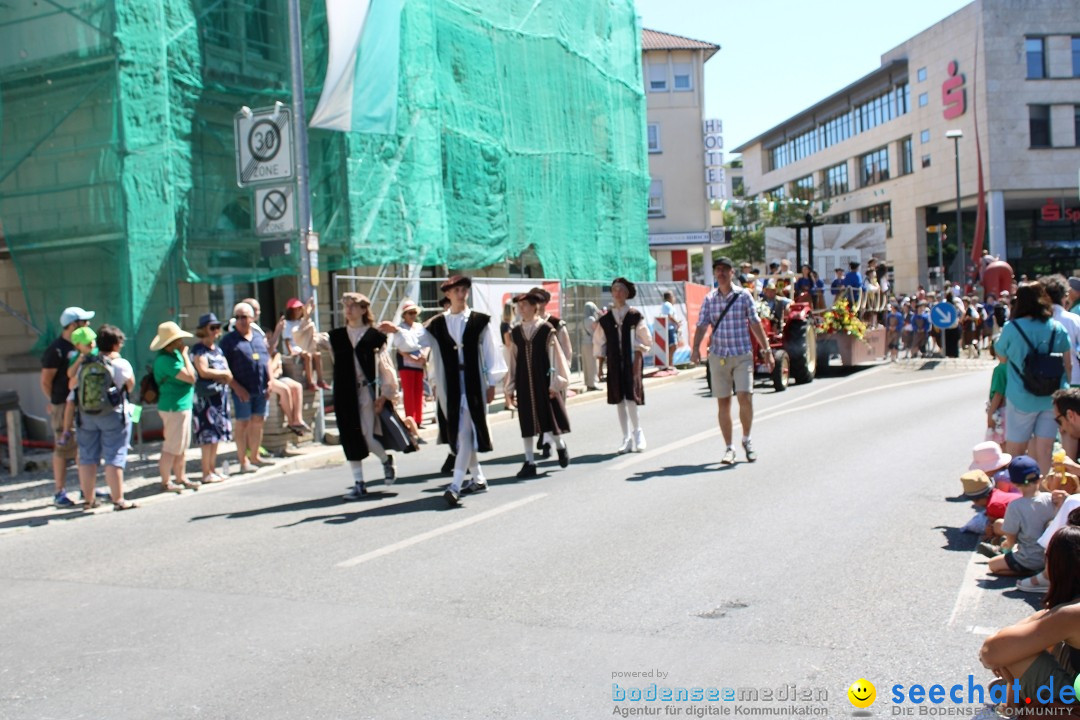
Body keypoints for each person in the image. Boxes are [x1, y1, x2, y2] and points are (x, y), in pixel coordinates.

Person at [385, 276, 506, 506]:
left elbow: (492, 353)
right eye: (457, 290)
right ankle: (478, 478)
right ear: (448, 294)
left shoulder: (480, 321)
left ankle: (455, 485)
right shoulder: (438, 323)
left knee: (464, 433)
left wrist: (492, 383)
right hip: (449, 385)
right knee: (461, 432)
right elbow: (414, 341)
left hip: (473, 385)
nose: (461, 294)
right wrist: (396, 332)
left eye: (464, 290)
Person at [297, 294, 399, 499]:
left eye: (353, 306)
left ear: (363, 310)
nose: (349, 310)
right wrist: (306, 319)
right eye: (346, 306)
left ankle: (385, 460)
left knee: (368, 437)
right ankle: (359, 482)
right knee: (350, 437)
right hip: (345, 393)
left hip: (366, 393)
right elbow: (309, 342)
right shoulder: (336, 336)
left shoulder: (374, 337)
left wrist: (386, 394)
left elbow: (385, 367)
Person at [979, 518, 1080, 705]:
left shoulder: (1072, 614)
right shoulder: (1070, 612)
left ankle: (1010, 708)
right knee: (1023, 643)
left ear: (1056, 565)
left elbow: (990, 651)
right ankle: (1012, 703)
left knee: (1013, 652)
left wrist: (1005, 657)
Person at [691, 257, 774, 465]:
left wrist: (767, 350)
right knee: (724, 402)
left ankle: (747, 439)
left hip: (741, 354)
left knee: (745, 396)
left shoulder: (743, 295)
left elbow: (755, 323)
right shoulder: (710, 299)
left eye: (725, 270)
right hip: (719, 356)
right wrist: (695, 349)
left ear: (732, 273)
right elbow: (702, 326)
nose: (721, 273)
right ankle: (729, 447)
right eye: (717, 270)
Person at [995, 283, 1072, 474]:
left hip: (1021, 396)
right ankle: (1044, 495)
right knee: (1045, 450)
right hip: (1051, 397)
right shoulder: (1057, 327)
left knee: (1017, 451)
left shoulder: (1011, 328)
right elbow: (1068, 364)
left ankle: (1019, 494)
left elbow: (1002, 359)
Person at [68, 324, 138, 510]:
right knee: (114, 455)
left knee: (87, 457)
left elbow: (72, 384)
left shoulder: (86, 363)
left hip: (86, 415)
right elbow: (130, 386)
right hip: (113, 414)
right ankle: (118, 499)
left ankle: (88, 500)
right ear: (116, 344)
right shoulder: (120, 364)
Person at [505, 289, 571, 477]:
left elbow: (556, 357)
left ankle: (560, 445)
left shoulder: (546, 329)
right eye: (519, 305)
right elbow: (514, 360)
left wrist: (556, 383)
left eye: (525, 305)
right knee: (526, 421)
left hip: (544, 382)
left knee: (548, 419)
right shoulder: (516, 332)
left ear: (535, 307)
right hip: (524, 383)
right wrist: (510, 387)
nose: (521, 308)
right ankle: (529, 461)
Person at [40, 306, 94, 507]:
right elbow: (46, 380)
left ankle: (85, 488)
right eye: (84, 322)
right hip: (63, 405)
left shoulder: (82, 346)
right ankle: (59, 491)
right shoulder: (57, 349)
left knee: (84, 447)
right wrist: (54, 403)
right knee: (63, 447)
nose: (88, 325)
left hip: (82, 404)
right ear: (73, 325)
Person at [594, 277, 651, 454]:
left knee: (631, 398)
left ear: (626, 294)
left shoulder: (634, 316)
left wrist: (639, 348)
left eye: (621, 290)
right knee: (618, 399)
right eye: (614, 289)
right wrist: (599, 366)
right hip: (614, 361)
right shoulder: (605, 319)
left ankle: (638, 433)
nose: (617, 292)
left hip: (631, 361)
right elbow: (599, 343)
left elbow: (646, 340)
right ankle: (625, 438)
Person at [220, 302, 273, 474]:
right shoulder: (228, 341)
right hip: (241, 389)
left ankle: (255, 456)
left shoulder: (258, 338)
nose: (241, 320)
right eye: (238, 317)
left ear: (252, 319)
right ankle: (243, 461)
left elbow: (268, 359)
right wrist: (236, 387)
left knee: (258, 421)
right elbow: (223, 367)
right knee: (243, 423)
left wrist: (271, 380)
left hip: (261, 388)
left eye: (245, 317)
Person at [987, 455, 1060, 577]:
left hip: (1028, 558)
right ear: (1040, 478)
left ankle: (1027, 571)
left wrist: (1007, 546)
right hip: (1051, 559)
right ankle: (1040, 571)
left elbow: (1011, 538)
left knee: (992, 565)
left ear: (1014, 483)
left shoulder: (1015, 506)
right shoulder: (1051, 499)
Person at [151, 321, 198, 492]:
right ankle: (166, 481)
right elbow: (191, 377)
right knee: (171, 446)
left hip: (182, 405)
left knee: (181, 446)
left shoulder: (174, 356)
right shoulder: (165, 360)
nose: (181, 343)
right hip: (173, 407)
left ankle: (181, 477)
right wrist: (186, 356)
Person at [191, 313, 232, 484]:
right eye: (212, 327)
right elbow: (203, 371)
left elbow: (226, 369)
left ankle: (213, 469)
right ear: (203, 330)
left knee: (217, 435)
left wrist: (225, 375)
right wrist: (223, 374)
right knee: (207, 437)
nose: (216, 331)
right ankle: (205, 472)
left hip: (219, 397)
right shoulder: (198, 350)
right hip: (205, 400)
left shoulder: (218, 349)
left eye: (217, 327)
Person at [279, 297, 328, 391]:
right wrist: (291, 352)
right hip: (294, 349)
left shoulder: (301, 322)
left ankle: (320, 380)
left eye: (299, 309)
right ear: (290, 311)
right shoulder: (286, 323)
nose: (298, 311)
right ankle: (310, 383)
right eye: (295, 310)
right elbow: (286, 340)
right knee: (308, 355)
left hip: (303, 346)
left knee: (317, 355)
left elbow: (307, 320)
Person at [396, 299, 429, 428]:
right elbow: (399, 347)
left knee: (419, 392)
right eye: (410, 313)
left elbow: (426, 342)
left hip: (419, 363)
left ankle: (419, 420)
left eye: (414, 312)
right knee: (408, 392)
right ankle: (411, 420)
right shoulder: (400, 328)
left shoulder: (420, 327)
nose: (413, 315)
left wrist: (424, 354)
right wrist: (410, 356)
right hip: (406, 363)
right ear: (404, 315)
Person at [581, 302, 601, 391]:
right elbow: (596, 329)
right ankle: (593, 383)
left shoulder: (582, 320)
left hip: (584, 343)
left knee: (586, 364)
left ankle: (588, 383)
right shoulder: (591, 319)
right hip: (591, 343)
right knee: (592, 364)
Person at [659, 291, 680, 362]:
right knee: (673, 346)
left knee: (671, 347)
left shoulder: (667, 305)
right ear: (669, 297)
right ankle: (669, 364)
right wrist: (677, 322)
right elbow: (670, 316)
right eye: (673, 296)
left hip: (670, 328)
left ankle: (669, 364)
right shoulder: (668, 305)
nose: (674, 298)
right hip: (669, 328)